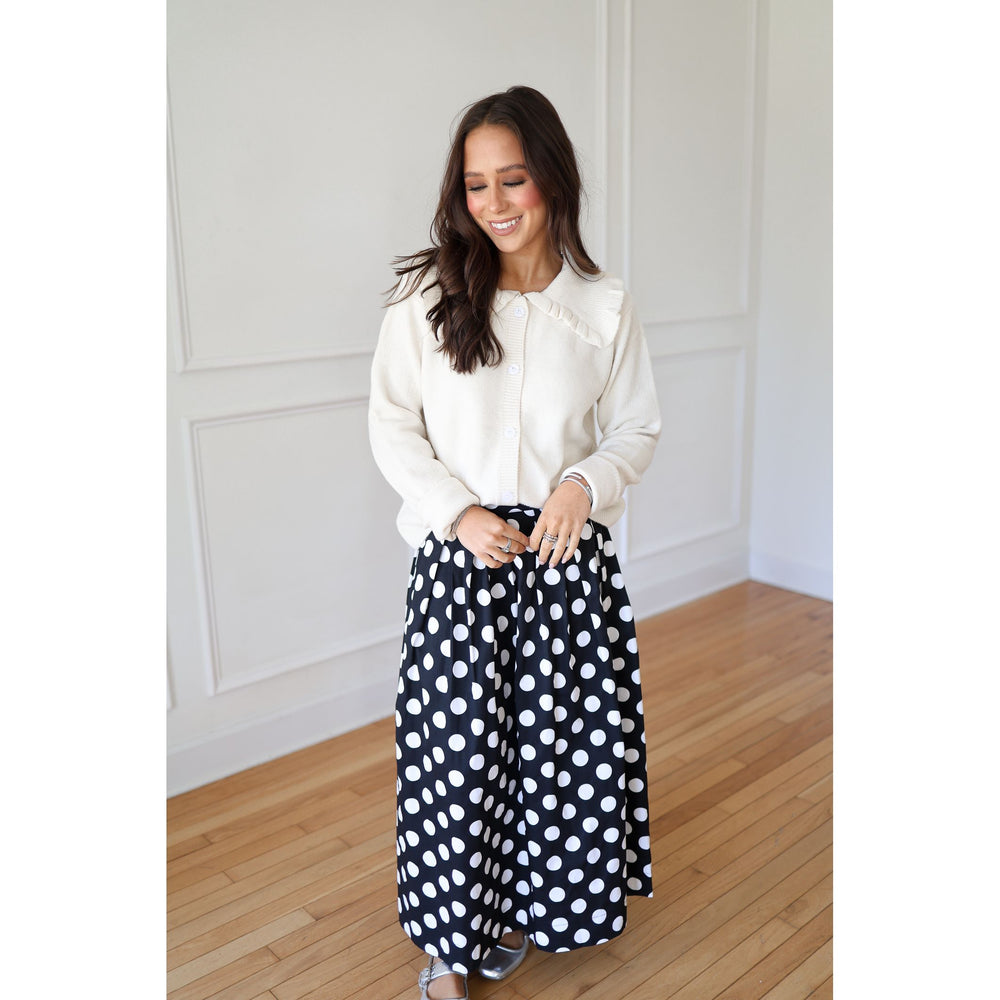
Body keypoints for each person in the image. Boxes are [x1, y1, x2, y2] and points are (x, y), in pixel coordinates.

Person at [368, 85, 660, 1000]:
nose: (493, 203)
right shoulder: (426, 296)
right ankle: (449, 951)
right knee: (455, 767)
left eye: (513, 179)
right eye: (476, 183)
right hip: (463, 567)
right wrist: (457, 513)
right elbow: (391, 424)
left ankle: (533, 908)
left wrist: (585, 483)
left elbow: (637, 428)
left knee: (557, 758)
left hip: (566, 571)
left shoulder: (604, 305)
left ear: (553, 180)